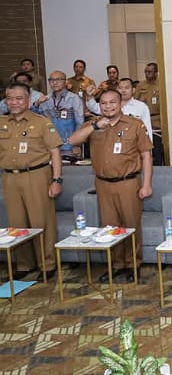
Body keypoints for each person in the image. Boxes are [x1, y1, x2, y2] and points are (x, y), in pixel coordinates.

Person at [68, 89, 153, 283]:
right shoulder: (93, 125)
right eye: (104, 103)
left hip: (128, 182)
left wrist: (146, 184)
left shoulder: (134, 125)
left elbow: (146, 155)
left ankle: (133, 265)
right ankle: (116, 265)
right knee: (109, 227)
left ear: (120, 103)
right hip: (102, 184)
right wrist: (95, 126)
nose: (108, 106)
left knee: (131, 225)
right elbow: (72, 140)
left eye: (112, 102)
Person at [0, 83, 62, 280]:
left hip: (36, 175)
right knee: (17, 223)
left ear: (28, 100)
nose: (14, 103)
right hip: (10, 177)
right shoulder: (2, 123)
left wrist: (56, 179)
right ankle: (25, 264)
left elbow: (55, 152)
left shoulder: (41, 122)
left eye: (19, 98)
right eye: (10, 98)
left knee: (40, 221)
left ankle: (48, 263)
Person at [36, 71, 84, 161]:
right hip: (48, 145)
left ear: (65, 82)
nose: (54, 83)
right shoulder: (45, 99)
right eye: (51, 80)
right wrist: (37, 104)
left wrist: (77, 144)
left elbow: (80, 123)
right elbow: (34, 120)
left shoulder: (74, 99)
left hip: (68, 146)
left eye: (58, 80)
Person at [87, 78, 153, 139]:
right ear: (117, 90)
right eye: (120, 88)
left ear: (133, 90)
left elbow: (147, 129)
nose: (123, 90)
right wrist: (89, 96)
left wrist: (149, 149)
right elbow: (94, 107)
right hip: (112, 141)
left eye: (127, 88)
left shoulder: (141, 107)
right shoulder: (110, 104)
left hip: (133, 142)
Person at [134, 63, 161, 131]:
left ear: (156, 73)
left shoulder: (161, 85)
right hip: (143, 119)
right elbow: (135, 101)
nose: (147, 74)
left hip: (157, 119)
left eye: (149, 72)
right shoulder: (141, 85)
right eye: (145, 71)